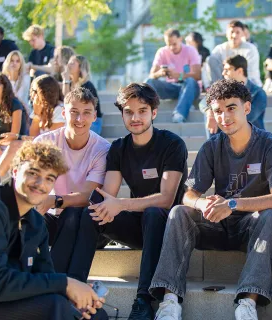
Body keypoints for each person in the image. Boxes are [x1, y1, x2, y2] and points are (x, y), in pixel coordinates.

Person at [149, 79, 272, 320]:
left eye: (231, 108)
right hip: (216, 224)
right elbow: (188, 194)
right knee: (178, 212)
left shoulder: (271, 146)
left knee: (268, 216)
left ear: (247, 108)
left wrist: (232, 204)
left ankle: (247, 302)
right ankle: (170, 301)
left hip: (250, 228)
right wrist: (202, 203)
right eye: (218, 111)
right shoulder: (211, 146)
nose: (224, 117)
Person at [59, 83, 188, 320]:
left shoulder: (171, 144)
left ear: (154, 113)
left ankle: (143, 301)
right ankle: (73, 291)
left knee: (152, 212)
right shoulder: (118, 147)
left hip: (167, 227)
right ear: (122, 114)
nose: (135, 117)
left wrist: (121, 205)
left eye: (142, 111)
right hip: (135, 226)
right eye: (129, 111)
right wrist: (106, 208)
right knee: (92, 208)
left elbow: (167, 199)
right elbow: (109, 196)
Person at [0, 141, 108, 320]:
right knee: (55, 307)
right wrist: (65, 284)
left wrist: (73, 295)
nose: (40, 184)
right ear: (15, 171)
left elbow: (45, 275)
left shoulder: (35, 221)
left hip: (8, 301)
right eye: (33, 173)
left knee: (94, 315)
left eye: (49, 178)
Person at [32, 87, 110, 268]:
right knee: (25, 220)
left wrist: (53, 201)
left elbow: (88, 196)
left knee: (73, 212)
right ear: (64, 113)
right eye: (74, 112)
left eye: (86, 113)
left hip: (87, 225)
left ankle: (56, 280)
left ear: (94, 116)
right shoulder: (44, 143)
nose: (79, 119)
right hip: (52, 218)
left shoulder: (103, 149)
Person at [0, 74, 66, 177]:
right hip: (41, 148)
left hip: (56, 150)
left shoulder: (59, 110)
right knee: (14, 148)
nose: (32, 95)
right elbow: (34, 135)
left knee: (15, 145)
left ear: (45, 92)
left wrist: (17, 137)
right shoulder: (39, 108)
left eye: (34, 91)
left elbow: (48, 140)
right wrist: (37, 115)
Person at [199, 55, 267, 138]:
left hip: (253, 139)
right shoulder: (222, 89)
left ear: (239, 71)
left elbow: (247, 117)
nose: (223, 73)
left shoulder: (258, 93)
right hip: (226, 136)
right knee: (213, 112)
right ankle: (214, 148)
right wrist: (210, 113)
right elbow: (203, 103)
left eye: (227, 70)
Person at [145, 28, 201, 123]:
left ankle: (179, 114)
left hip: (190, 87)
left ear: (180, 39)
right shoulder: (162, 52)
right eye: (168, 44)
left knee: (190, 81)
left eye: (174, 44)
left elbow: (197, 75)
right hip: (172, 87)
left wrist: (178, 76)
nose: (171, 47)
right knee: (148, 82)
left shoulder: (191, 50)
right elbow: (151, 76)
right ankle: (146, 113)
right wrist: (160, 73)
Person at [205, 20, 262, 87]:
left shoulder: (250, 49)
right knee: (211, 59)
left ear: (243, 34)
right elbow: (210, 65)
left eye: (238, 32)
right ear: (226, 34)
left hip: (249, 86)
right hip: (226, 86)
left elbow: (250, 74)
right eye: (232, 32)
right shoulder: (219, 49)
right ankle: (218, 88)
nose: (234, 35)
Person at [62, 55, 103, 134]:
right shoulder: (69, 83)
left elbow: (71, 101)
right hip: (77, 117)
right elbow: (66, 101)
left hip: (92, 120)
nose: (68, 65)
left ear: (80, 67)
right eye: (69, 63)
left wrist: (66, 80)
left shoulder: (87, 85)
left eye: (72, 63)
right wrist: (66, 80)